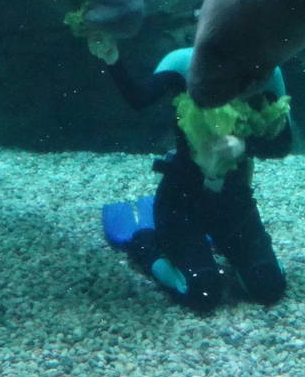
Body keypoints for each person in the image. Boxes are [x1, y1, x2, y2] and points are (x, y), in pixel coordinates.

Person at [103, 46, 293, 315]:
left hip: (234, 203)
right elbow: (138, 98)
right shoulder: (184, 63)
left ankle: (223, 248)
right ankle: (146, 242)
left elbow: (283, 144)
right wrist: (112, 57)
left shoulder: (268, 71)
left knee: (269, 286)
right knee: (203, 292)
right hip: (182, 202)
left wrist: (243, 145)